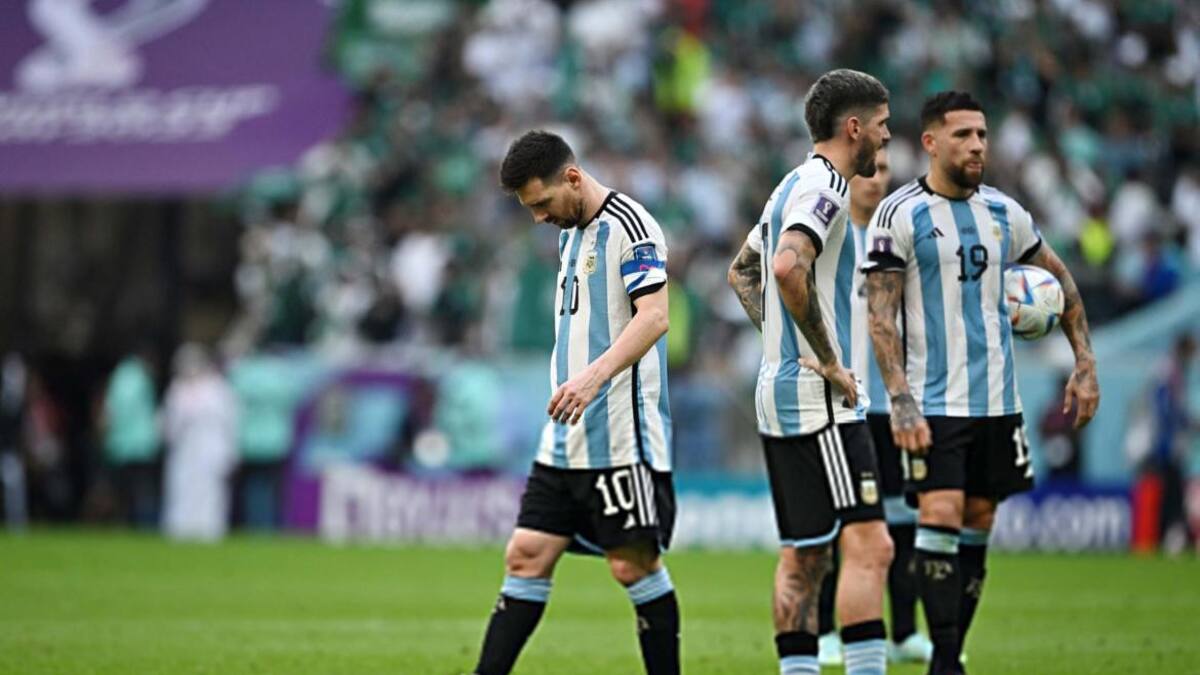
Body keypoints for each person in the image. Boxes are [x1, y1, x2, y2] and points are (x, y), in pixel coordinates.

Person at [861, 91, 1100, 674]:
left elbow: (1060, 280)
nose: (977, 146)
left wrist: (1085, 363)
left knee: (979, 522)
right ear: (931, 142)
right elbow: (880, 316)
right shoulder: (900, 215)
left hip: (998, 402)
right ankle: (945, 661)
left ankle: (947, 652)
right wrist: (900, 399)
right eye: (964, 135)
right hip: (934, 403)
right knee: (938, 513)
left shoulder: (1004, 213)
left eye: (983, 135)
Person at [472, 130, 678, 675]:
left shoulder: (630, 226)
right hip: (565, 437)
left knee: (634, 566)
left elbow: (655, 317)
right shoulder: (570, 233)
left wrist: (592, 378)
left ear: (572, 177)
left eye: (542, 203)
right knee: (526, 555)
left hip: (620, 434)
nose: (538, 217)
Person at [727, 69, 894, 675]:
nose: (885, 135)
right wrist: (826, 356)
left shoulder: (789, 184)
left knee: (805, 554)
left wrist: (782, 344)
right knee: (871, 545)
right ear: (854, 128)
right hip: (820, 399)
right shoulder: (826, 187)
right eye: (881, 125)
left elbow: (739, 273)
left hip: (780, 390)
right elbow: (786, 268)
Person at [816, 148, 934, 666]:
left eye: (885, 170)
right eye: (870, 167)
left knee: (903, 518)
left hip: (893, 408)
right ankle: (824, 630)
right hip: (841, 407)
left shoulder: (903, 245)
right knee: (836, 522)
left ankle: (904, 630)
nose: (876, 177)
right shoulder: (828, 238)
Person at [161, 344, 239, 542]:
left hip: (211, 447)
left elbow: (230, 423)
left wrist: (230, 452)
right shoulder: (177, 389)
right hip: (186, 449)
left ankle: (209, 530)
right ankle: (181, 530)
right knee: (182, 489)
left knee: (211, 492)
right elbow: (169, 423)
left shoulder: (218, 389)